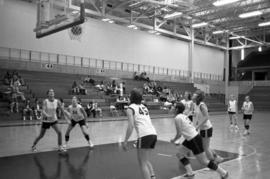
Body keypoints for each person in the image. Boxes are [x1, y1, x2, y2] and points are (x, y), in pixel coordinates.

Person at [170, 102, 229, 179]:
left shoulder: (177, 118)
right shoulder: (182, 116)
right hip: (191, 139)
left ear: (177, 109)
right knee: (179, 154)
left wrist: (173, 140)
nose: (171, 108)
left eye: (173, 107)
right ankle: (190, 173)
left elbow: (179, 134)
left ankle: (223, 173)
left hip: (194, 139)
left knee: (204, 161)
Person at [123, 89, 157, 179]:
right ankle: (153, 176)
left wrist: (125, 141)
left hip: (144, 135)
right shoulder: (144, 106)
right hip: (153, 134)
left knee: (142, 163)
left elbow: (131, 126)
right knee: (145, 160)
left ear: (131, 97)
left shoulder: (130, 108)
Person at [192, 90, 224, 164]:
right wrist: (194, 125)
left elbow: (206, 117)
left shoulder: (202, 105)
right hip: (203, 128)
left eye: (194, 95)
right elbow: (196, 117)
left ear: (197, 97)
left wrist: (197, 126)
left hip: (206, 128)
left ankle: (213, 162)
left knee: (205, 147)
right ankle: (217, 158)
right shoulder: (195, 104)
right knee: (206, 146)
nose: (192, 96)